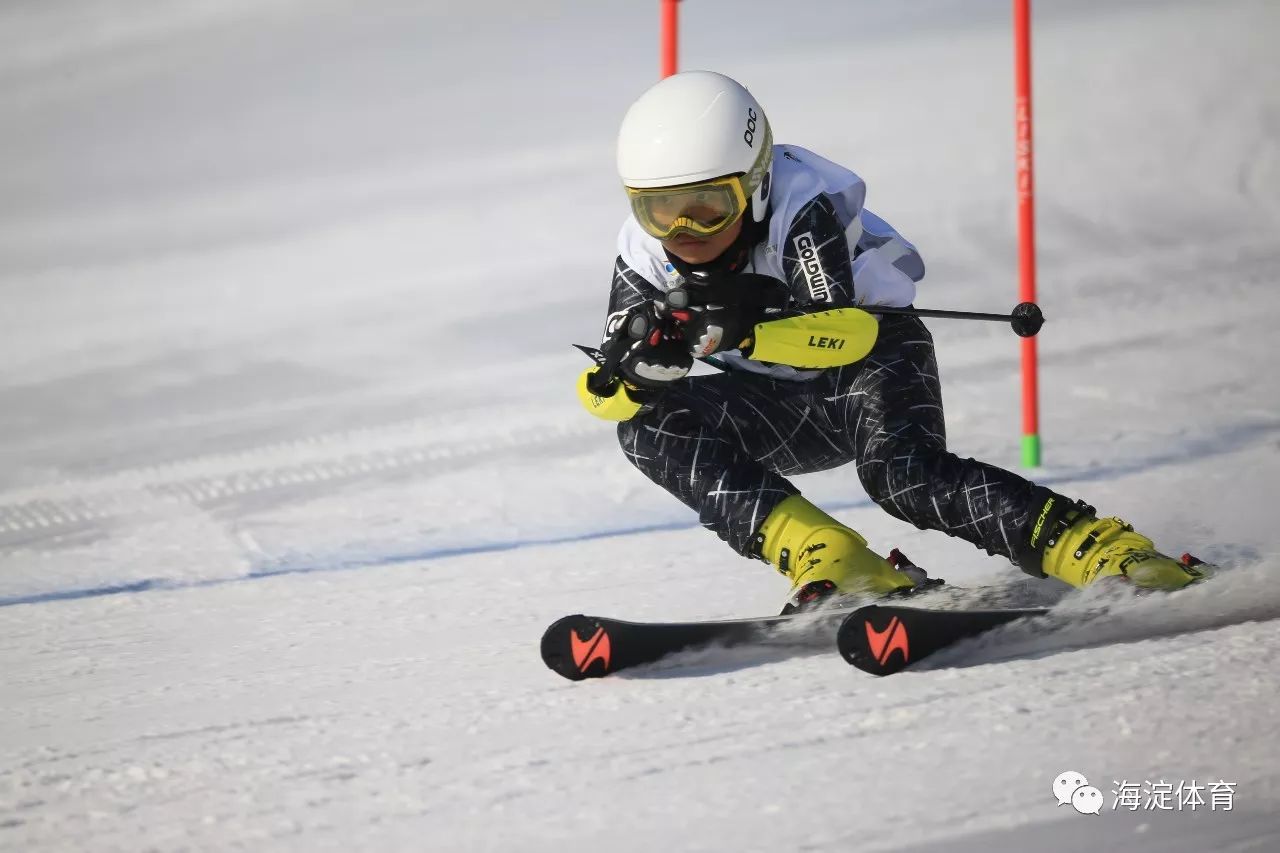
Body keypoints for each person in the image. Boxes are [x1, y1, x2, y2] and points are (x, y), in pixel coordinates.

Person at [576, 70, 1206, 611]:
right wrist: (632, 377)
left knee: (901, 476)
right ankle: (836, 559)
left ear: (757, 182)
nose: (686, 231)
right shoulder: (642, 253)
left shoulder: (800, 204)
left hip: (874, 359)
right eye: (661, 211)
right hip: (782, 404)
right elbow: (602, 395)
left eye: (710, 206)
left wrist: (741, 329)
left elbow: (847, 334)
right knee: (647, 429)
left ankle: (1102, 550)